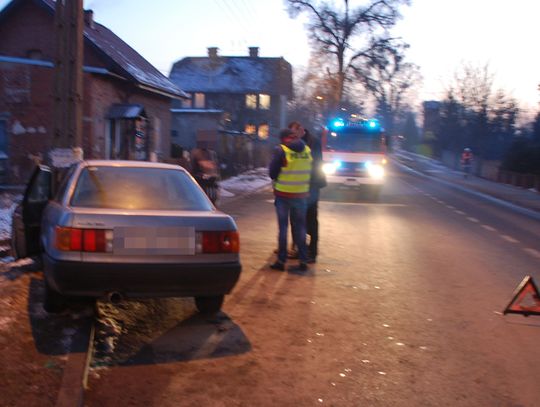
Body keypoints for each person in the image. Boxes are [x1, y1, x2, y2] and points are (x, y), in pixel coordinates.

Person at [268, 128, 313, 272]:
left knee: (283, 228)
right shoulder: (306, 149)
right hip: (301, 195)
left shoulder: (281, 150)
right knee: (300, 228)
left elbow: (272, 173)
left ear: (283, 138)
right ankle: (303, 260)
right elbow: (311, 169)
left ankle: (281, 261)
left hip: (283, 195)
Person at [288, 122, 326, 263]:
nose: (293, 136)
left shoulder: (313, 142)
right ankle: (299, 248)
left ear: (301, 129)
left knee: (311, 219)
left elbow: (315, 164)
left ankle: (312, 252)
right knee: (296, 219)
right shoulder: (294, 142)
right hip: (298, 188)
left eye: (295, 133)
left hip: (311, 186)